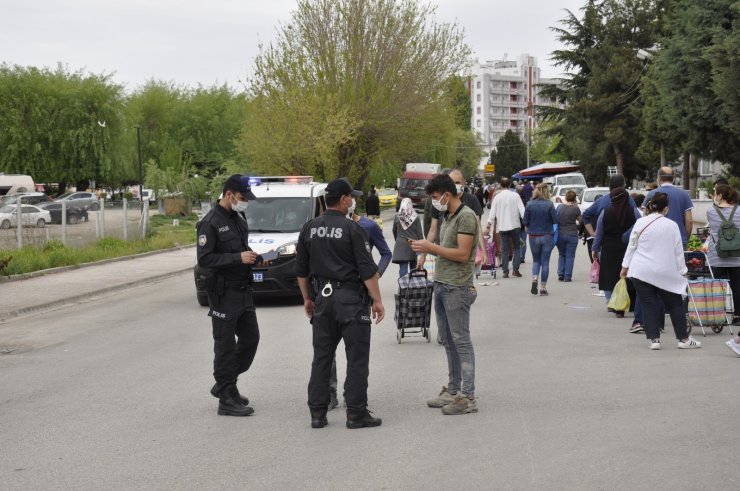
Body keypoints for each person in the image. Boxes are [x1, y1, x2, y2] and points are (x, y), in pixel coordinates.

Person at [296, 177, 385, 429]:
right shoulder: (352, 229)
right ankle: (356, 413)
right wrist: (377, 301)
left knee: (322, 357)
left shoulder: (308, 228)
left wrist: (306, 299)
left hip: (322, 299)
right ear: (343, 199)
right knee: (357, 358)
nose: (353, 201)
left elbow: (301, 271)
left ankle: (317, 413)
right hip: (351, 300)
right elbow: (367, 271)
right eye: (351, 197)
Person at [410, 174, 479, 415]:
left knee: (461, 340)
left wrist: (431, 248)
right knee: (448, 341)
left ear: (447, 195)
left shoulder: (466, 217)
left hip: (457, 287)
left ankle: (468, 396)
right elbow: (441, 245)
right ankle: (453, 390)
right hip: (441, 283)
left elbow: (461, 254)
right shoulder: (447, 215)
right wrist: (424, 248)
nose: (434, 202)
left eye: (436, 197)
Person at [196, 174, 260, 417]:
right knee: (224, 346)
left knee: (251, 339)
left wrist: (253, 256)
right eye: (243, 197)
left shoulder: (238, 218)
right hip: (223, 293)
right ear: (230, 194)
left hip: (243, 291)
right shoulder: (210, 222)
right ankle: (226, 398)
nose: (246, 202)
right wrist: (237, 258)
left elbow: (242, 249)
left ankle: (226, 383)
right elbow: (204, 260)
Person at [327, 196, 392, 410]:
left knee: (355, 349)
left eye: (353, 197)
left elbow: (385, 253)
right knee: (328, 349)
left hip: (360, 293)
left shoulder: (368, 226)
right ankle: (330, 392)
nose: (350, 201)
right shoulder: (327, 225)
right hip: (331, 293)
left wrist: (377, 275)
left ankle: (351, 394)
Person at [621, 192, 702, 350]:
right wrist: (683, 270)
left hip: (641, 270)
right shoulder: (672, 225)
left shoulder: (640, 223)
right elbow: (678, 251)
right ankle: (683, 339)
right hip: (665, 271)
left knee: (648, 303)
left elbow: (632, 245)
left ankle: (654, 340)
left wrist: (625, 266)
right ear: (666, 208)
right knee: (675, 304)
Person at [592, 187, 640, 317]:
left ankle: (612, 304)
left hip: (609, 248)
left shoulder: (605, 212)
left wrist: (595, 249)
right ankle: (631, 304)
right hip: (628, 248)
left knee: (609, 275)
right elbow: (640, 228)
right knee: (629, 276)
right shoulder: (634, 211)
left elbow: (599, 233)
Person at [705, 184, 740, 355]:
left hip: (716, 256)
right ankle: (738, 316)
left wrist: (715, 202)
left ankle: (716, 317)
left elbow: (712, 227)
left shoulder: (711, 212)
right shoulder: (739, 211)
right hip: (737, 256)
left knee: (717, 288)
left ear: (719, 195)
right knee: (737, 288)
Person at [484, 177, 524, 278]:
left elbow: (492, 214)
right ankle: (515, 270)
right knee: (516, 248)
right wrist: (527, 223)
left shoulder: (497, 197)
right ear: (510, 185)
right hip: (515, 225)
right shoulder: (515, 196)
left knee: (504, 249)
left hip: (502, 226)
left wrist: (488, 227)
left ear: (500, 185)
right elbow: (522, 211)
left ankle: (505, 271)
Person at [644, 166, 693, 248]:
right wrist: (685, 238)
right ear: (673, 179)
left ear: (659, 179)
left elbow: (644, 216)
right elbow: (689, 220)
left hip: (657, 240)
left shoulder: (651, 194)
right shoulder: (684, 194)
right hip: (679, 239)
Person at [523, 183, 558, 296]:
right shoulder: (549, 204)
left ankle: (534, 279)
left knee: (536, 261)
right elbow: (555, 221)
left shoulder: (529, 204)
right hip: (547, 235)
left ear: (536, 191)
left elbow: (525, 222)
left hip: (533, 236)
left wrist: (529, 229)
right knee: (545, 262)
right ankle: (543, 288)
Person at [392, 198, 423, 277]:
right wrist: (421, 245)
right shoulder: (415, 217)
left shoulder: (397, 216)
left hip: (401, 243)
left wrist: (398, 240)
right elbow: (419, 233)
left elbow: (394, 230)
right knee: (414, 267)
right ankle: (413, 286)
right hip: (414, 244)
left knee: (403, 266)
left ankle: (403, 286)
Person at [556, 190, 581, 282]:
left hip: (560, 234)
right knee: (570, 256)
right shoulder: (575, 209)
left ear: (566, 197)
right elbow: (580, 220)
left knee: (562, 254)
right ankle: (567, 276)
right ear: (574, 198)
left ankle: (560, 273)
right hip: (572, 234)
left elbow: (556, 219)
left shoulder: (559, 207)